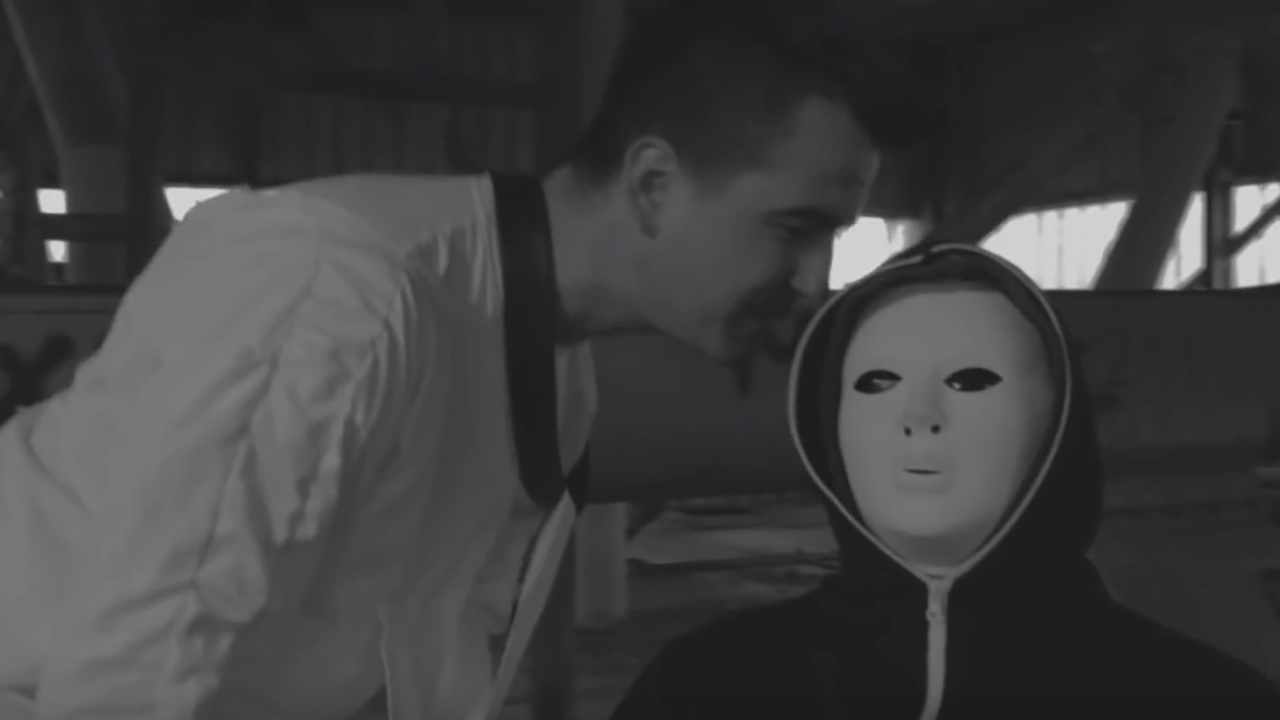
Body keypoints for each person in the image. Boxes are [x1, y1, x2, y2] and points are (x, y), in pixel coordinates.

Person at [0, 2, 929, 718]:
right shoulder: (335, 291)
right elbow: (130, 680)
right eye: (796, 228)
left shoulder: (552, 373)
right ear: (653, 184)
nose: (814, 279)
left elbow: (417, 660)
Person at [609, 243, 1280, 719]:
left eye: (970, 381)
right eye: (877, 383)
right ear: (827, 422)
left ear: (1059, 422)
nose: (919, 417)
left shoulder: (1202, 701)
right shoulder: (705, 691)